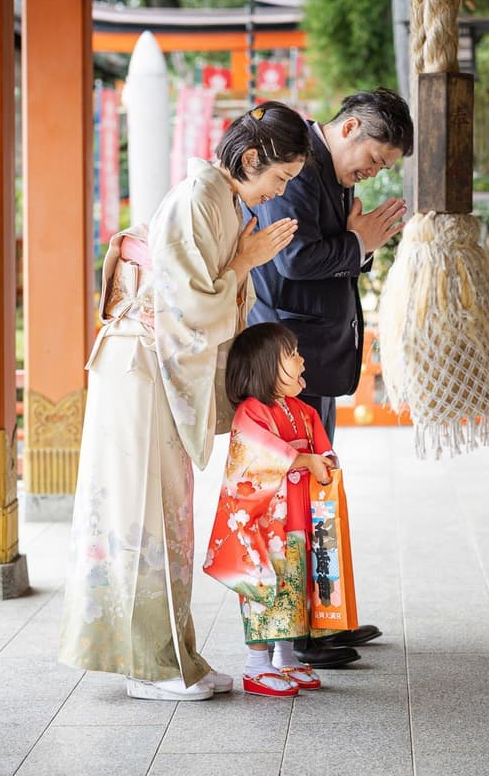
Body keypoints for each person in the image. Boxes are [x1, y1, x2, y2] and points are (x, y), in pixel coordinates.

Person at [58, 102, 310, 702]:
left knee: (163, 513)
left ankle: (173, 655)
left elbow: (198, 295)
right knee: (143, 512)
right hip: (140, 362)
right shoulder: (200, 196)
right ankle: (151, 665)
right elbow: (188, 304)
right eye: (277, 178)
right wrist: (246, 260)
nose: (278, 193)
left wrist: (241, 261)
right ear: (249, 159)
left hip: (150, 363)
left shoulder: (219, 199)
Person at [246, 88, 414, 666]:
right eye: (374, 159)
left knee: (317, 490)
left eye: (383, 168)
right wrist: (358, 243)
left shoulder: (333, 174)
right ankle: (291, 637)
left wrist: (359, 246)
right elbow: (291, 261)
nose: (372, 173)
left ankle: (319, 622)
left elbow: (332, 253)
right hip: (289, 358)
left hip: (315, 353)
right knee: (292, 492)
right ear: (349, 129)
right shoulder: (295, 166)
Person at [202, 322, 339, 698]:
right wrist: (302, 459)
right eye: (291, 355)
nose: (301, 359)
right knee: (269, 589)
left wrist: (323, 460)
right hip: (266, 526)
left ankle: (287, 657)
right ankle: (256, 665)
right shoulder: (251, 413)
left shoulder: (301, 410)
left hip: (296, 519)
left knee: (296, 587)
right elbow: (257, 455)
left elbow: (320, 447)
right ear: (264, 367)